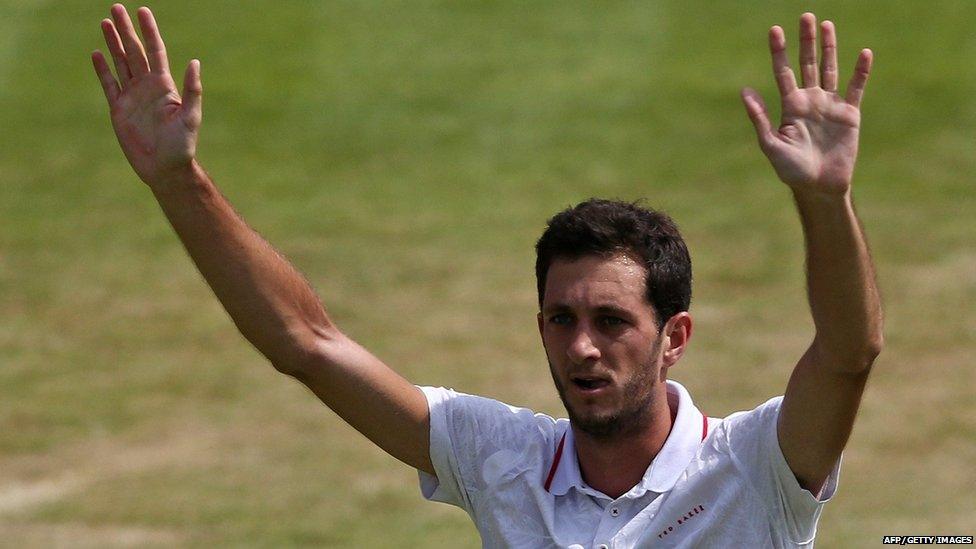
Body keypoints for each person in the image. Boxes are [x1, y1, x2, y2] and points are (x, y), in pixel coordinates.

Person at [91, 5, 882, 547]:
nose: (581, 347)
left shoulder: (758, 466)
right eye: (560, 318)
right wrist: (178, 181)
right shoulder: (500, 458)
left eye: (612, 322)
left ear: (675, 336)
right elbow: (307, 342)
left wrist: (825, 201)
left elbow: (849, 352)